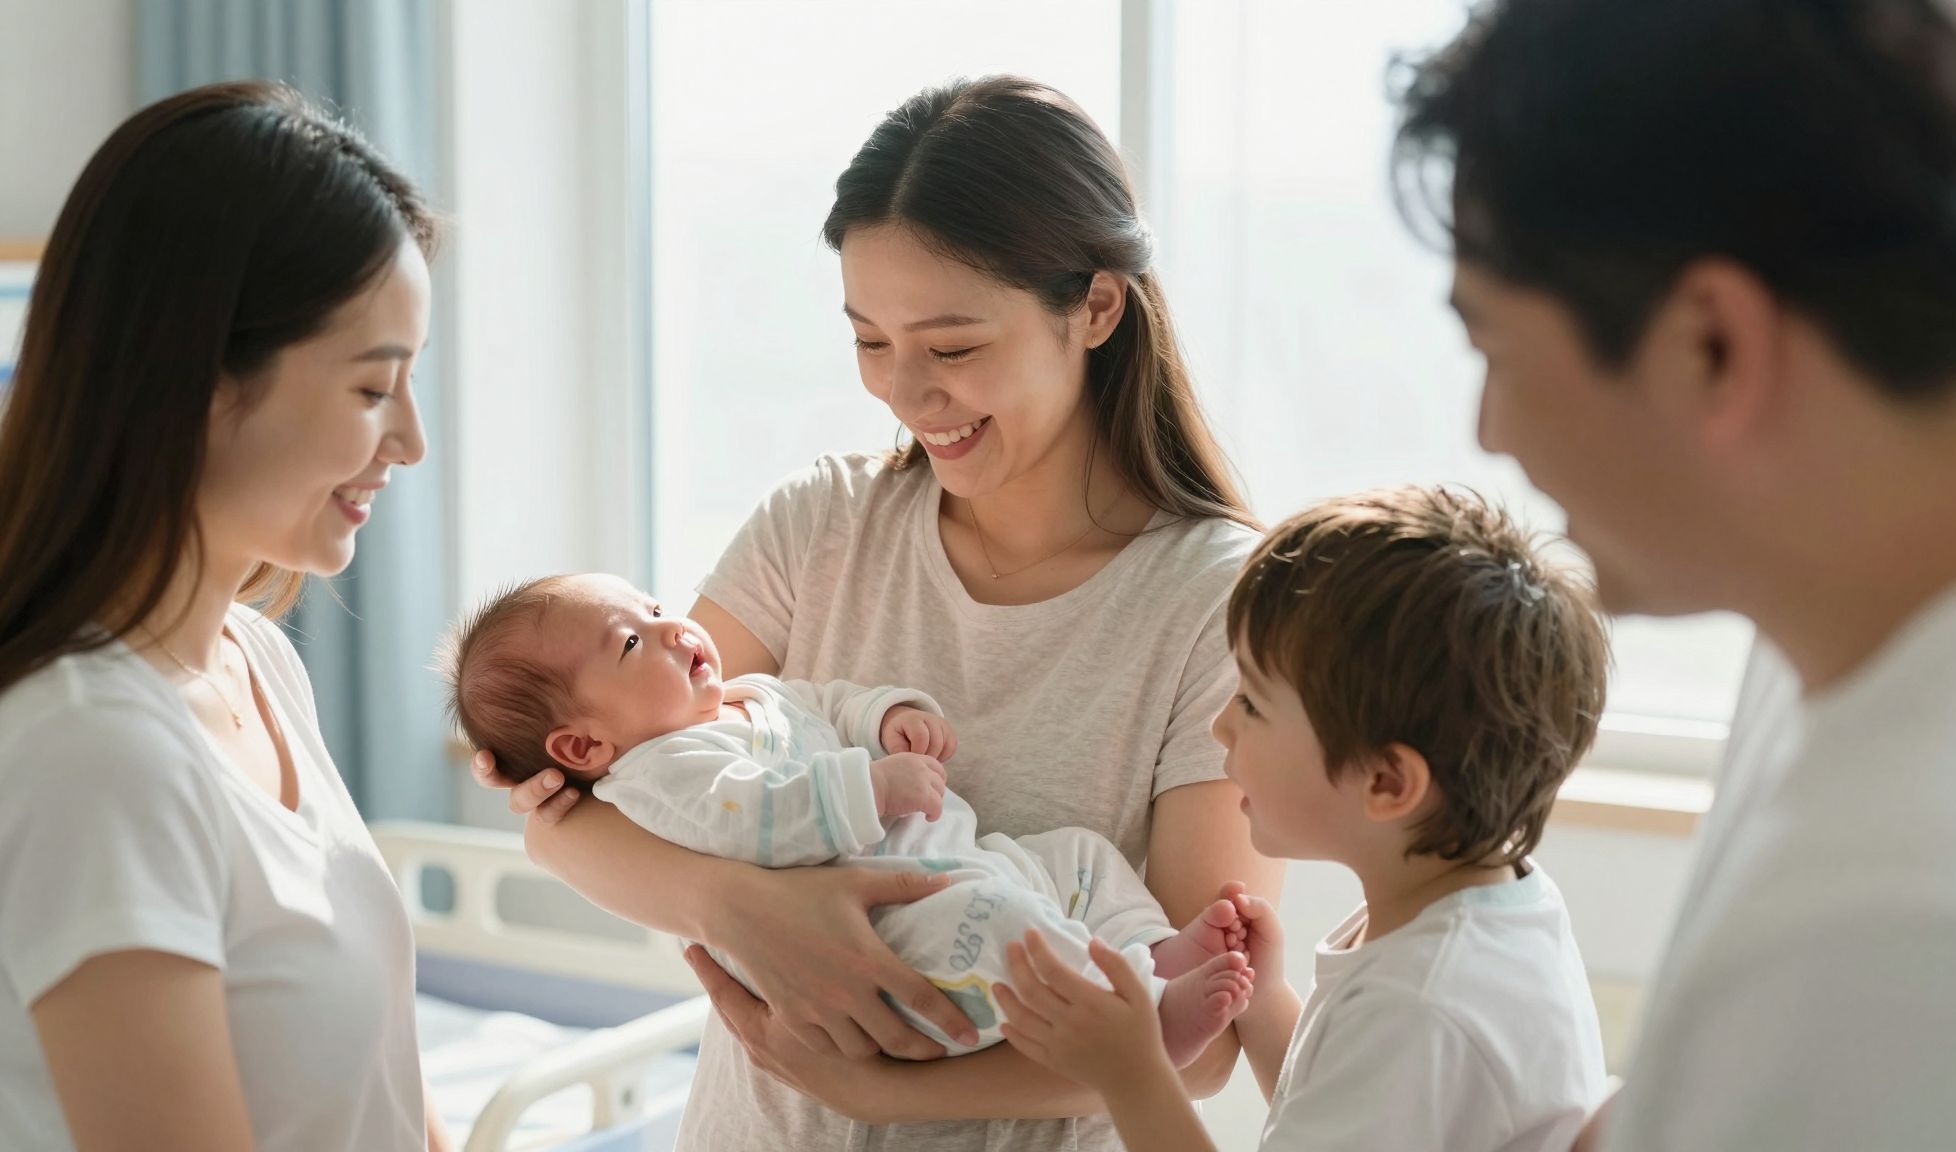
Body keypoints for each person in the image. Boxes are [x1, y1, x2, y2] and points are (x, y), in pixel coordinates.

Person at [471, 74, 1284, 1151]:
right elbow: (574, 827)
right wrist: (736, 906)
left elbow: (1204, 1034)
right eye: (868, 340)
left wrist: (880, 1092)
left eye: (951, 348)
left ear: (1094, 307)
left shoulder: (1215, 602)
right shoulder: (819, 526)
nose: (903, 393)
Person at [1390, 1, 1956, 1146]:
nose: (1488, 429)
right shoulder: (1856, 670)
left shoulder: (1904, 935)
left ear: (1710, 345)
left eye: (1494, 350)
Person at [0, 83, 451, 1149]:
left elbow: (386, 1091)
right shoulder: (92, 750)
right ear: (204, 377)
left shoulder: (250, 656)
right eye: (371, 389)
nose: (410, 441)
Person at [996, 488, 1611, 1151]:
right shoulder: (1489, 908)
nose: (1219, 726)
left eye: (1253, 705)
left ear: (1387, 782)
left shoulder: (1419, 1009)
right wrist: (1266, 1011)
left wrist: (1130, 1073)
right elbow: (1341, 1111)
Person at [444, 572, 1256, 1063]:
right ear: (583, 743)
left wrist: (884, 716)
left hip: (961, 857)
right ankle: (1146, 1019)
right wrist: (873, 786)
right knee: (1011, 929)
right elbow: (756, 819)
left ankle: (1150, 948)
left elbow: (823, 700)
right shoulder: (658, 774)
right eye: (630, 644)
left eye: (654, 605)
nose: (673, 628)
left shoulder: (742, 698)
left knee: (1078, 858)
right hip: (900, 931)